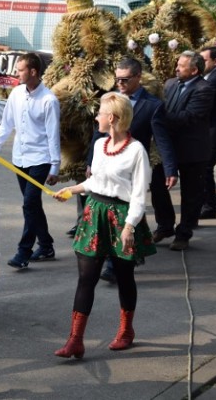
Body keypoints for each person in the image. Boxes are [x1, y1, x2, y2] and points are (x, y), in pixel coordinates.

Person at [53, 92, 156, 359]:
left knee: (124, 277)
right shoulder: (100, 145)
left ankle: (126, 331)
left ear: (112, 118)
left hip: (122, 217)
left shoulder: (136, 151)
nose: (96, 116)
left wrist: (130, 226)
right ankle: (75, 340)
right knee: (86, 279)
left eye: (99, 113)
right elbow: (95, 182)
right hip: (94, 213)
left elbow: (138, 194)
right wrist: (72, 190)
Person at [88, 57, 177, 283]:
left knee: (127, 212)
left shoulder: (152, 105)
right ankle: (121, 254)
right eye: (117, 79)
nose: (120, 83)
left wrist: (170, 169)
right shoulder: (110, 98)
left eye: (125, 80)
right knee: (111, 212)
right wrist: (90, 162)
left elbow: (162, 139)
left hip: (133, 167)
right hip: (108, 163)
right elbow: (98, 134)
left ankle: (114, 263)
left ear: (138, 77)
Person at [0, 52, 60, 269]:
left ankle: (24, 251)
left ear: (33, 72)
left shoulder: (49, 100)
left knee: (29, 203)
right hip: (19, 158)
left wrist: (55, 166)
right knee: (32, 206)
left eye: (20, 70)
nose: (16, 74)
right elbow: (6, 124)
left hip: (41, 159)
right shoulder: (16, 94)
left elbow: (53, 134)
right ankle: (46, 245)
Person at [153, 50, 215, 251]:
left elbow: (189, 117)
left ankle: (183, 233)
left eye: (181, 66)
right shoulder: (170, 83)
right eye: (177, 64)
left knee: (191, 195)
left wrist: (158, 118)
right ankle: (165, 226)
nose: (176, 68)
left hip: (192, 151)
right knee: (157, 186)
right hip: (167, 148)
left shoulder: (204, 89)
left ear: (194, 70)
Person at [199, 46, 216, 220]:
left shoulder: (214, 79)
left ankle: (208, 206)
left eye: (204, 60)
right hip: (213, 128)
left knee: (206, 166)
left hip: (215, 129)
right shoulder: (211, 77)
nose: (201, 63)